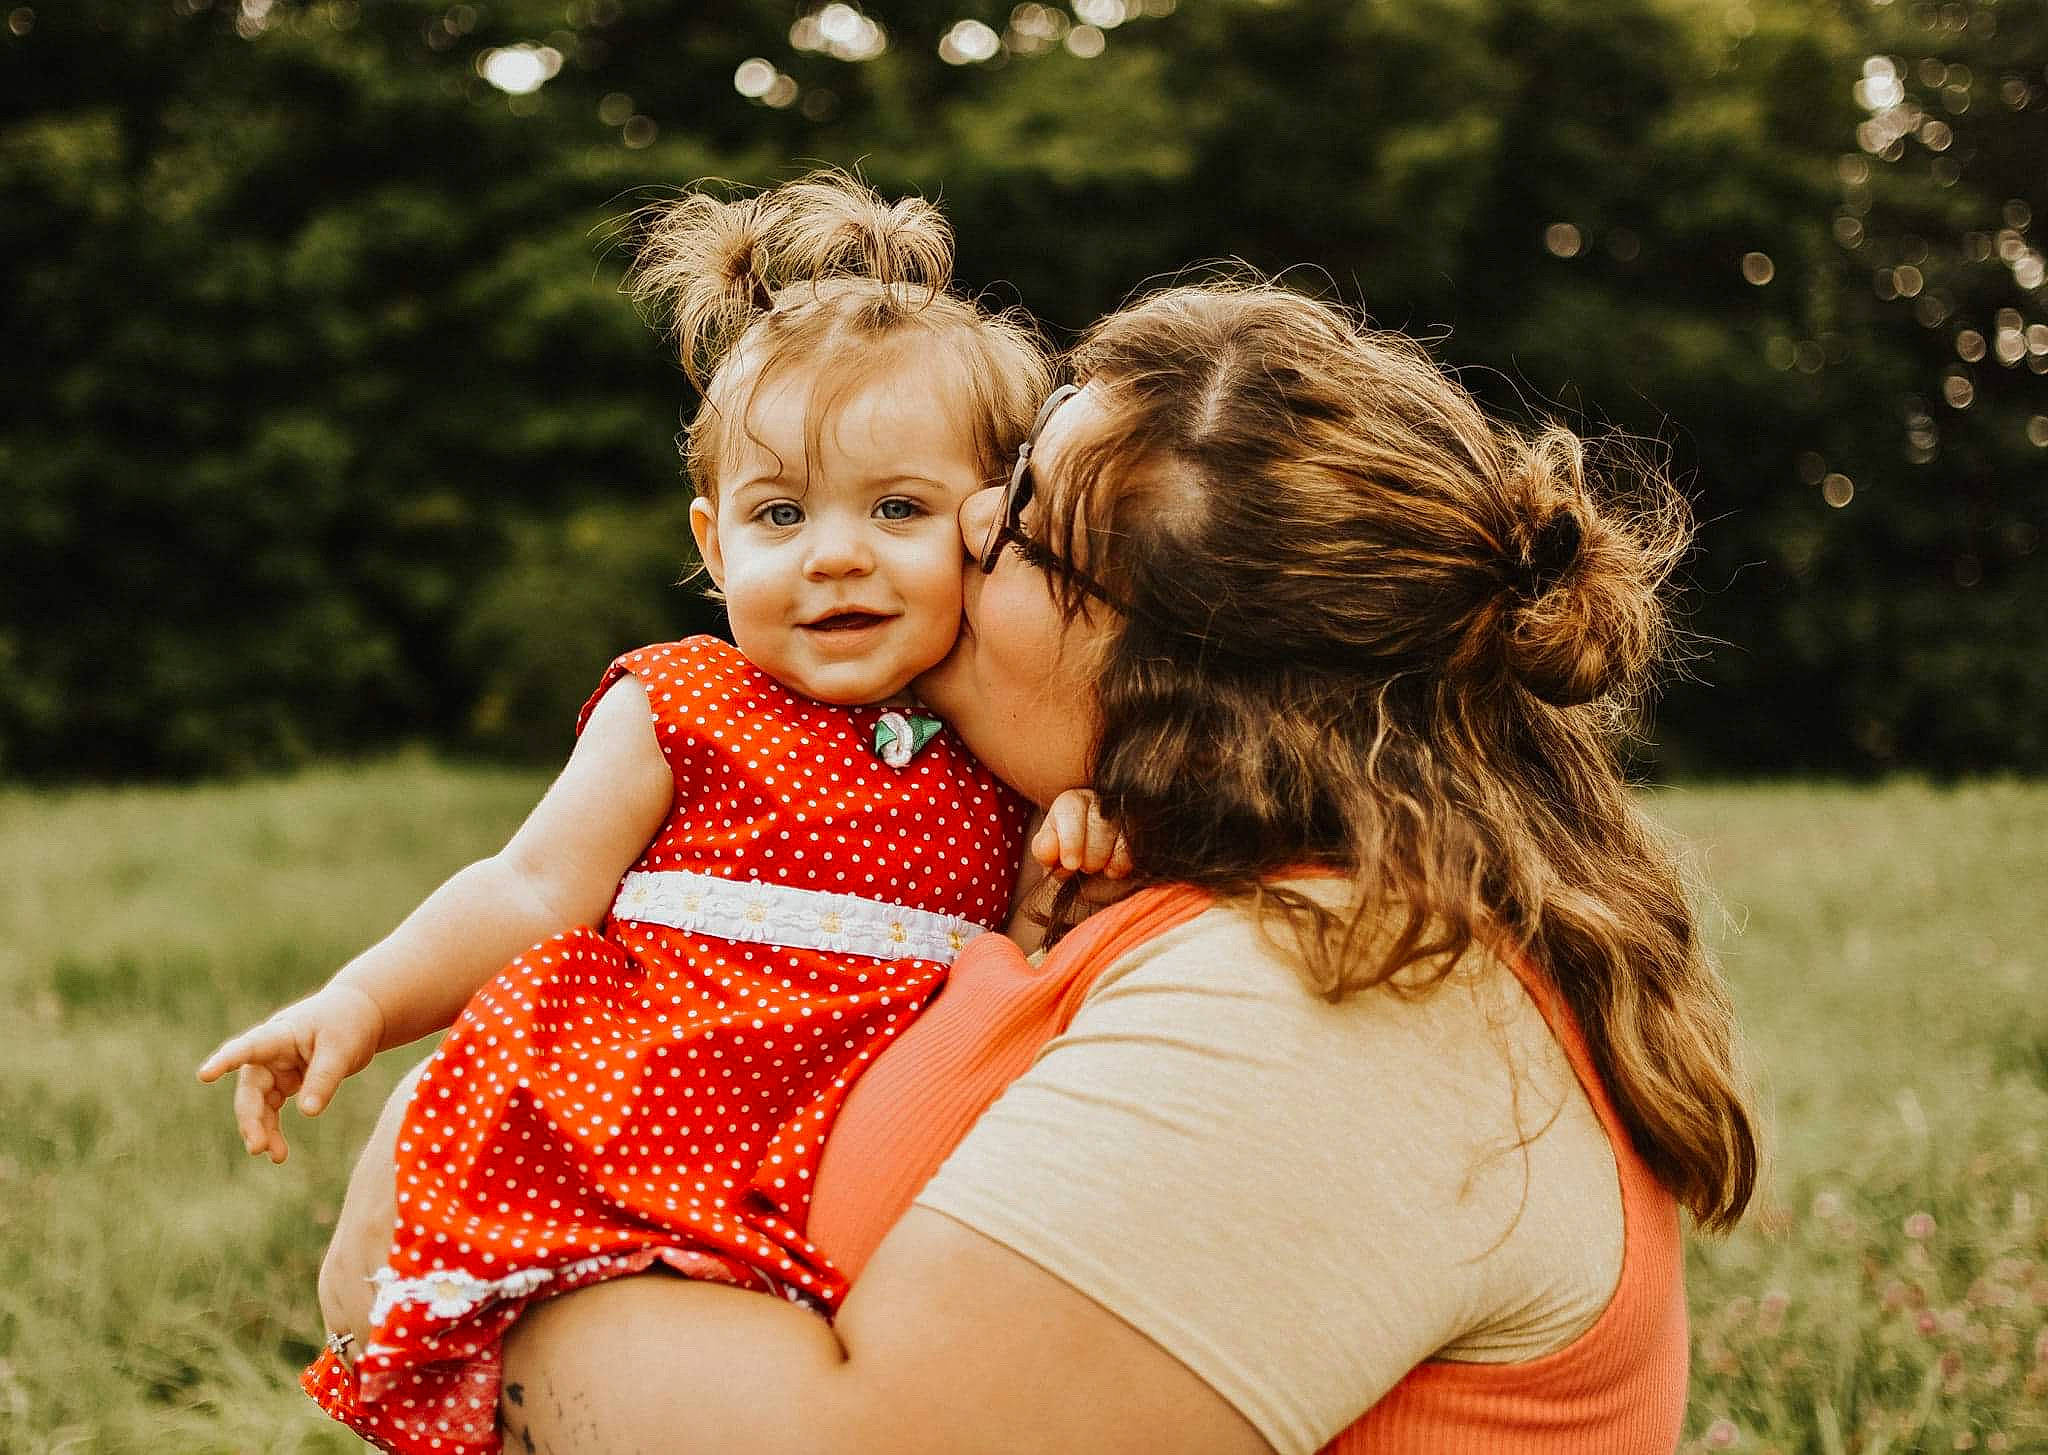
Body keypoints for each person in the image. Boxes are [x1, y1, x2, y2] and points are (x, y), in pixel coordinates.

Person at [318, 277, 1760, 1453]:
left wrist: (427, 1258)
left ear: (1165, 680)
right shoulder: (1166, 902)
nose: (958, 526)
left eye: (1014, 524)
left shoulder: (1343, 996)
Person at [195, 173, 1129, 1455]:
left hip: (851, 1146)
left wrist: (1073, 847)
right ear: (714, 540)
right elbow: (529, 886)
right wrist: (358, 1001)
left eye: (897, 509)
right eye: (780, 514)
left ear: (985, 529)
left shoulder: (1001, 743)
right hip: (631, 1109)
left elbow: (1019, 954)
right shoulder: (683, 699)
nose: (834, 554)